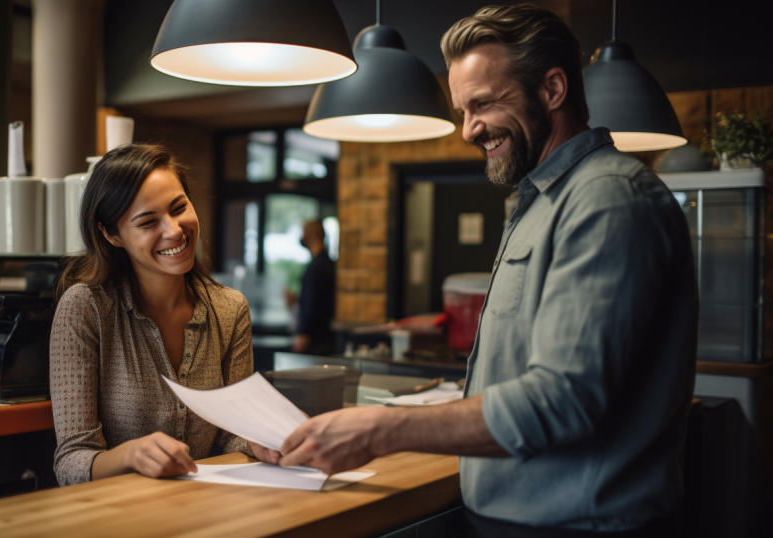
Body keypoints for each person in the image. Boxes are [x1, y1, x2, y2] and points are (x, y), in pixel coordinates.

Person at [271, 4, 697, 535]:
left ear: (553, 90)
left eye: (484, 105)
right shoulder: (539, 201)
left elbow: (567, 400)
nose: (470, 130)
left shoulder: (607, 198)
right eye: (461, 111)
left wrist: (381, 428)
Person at [49, 143, 272, 485]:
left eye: (178, 207)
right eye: (148, 222)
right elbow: (71, 462)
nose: (174, 231)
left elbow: (232, 435)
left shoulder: (230, 309)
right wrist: (131, 455)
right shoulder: (85, 308)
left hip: (208, 507)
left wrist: (265, 442)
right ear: (112, 235)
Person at [291, 219, 336, 355]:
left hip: (316, 341)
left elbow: (313, 303)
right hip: (324, 337)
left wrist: (304, 334)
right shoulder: (327, 263)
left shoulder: (316, 267)